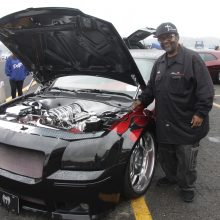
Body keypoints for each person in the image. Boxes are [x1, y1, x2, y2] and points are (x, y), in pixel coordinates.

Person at [132, 22, 214, 202]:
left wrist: (200, 113)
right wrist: (140, 102)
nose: (165, 41)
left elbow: (207, 90)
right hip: (165, 122)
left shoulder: (192, 60)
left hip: (187, 122)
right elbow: (151, 89)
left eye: (169, 37)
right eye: (161, 38)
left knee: (186, 160)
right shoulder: (160, 62)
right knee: (166, 156)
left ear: (176, 36)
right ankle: (171, 178)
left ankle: (187, 186)